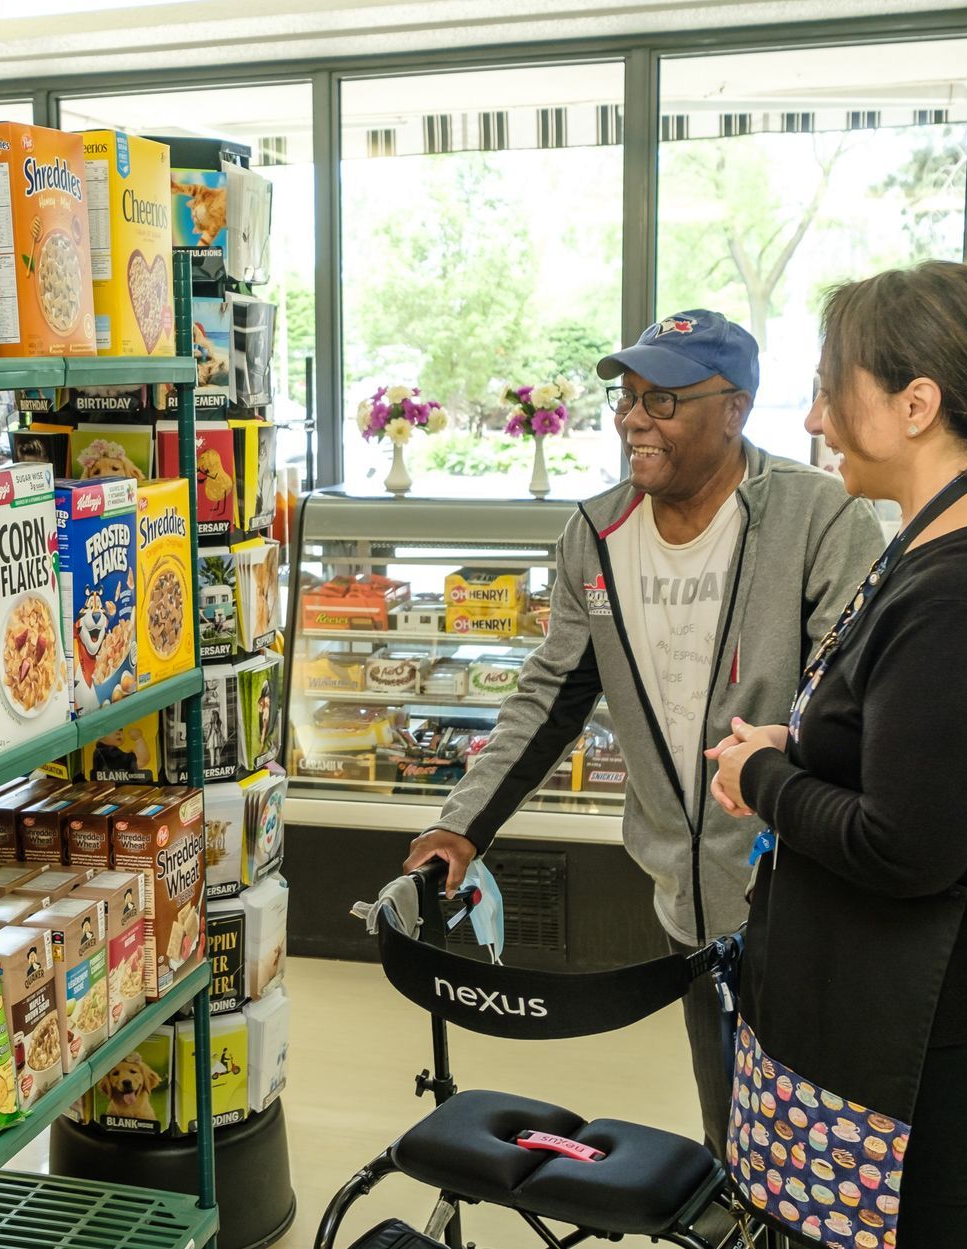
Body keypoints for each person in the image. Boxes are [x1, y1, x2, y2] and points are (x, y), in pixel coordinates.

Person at [404, 310, 884, 1153]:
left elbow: (853, 704)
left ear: (732, 409)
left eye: (662, 400)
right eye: (627, 400)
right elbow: (551, 692)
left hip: (806, 891)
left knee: (822, 1132)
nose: (634, 419)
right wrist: (462, 822)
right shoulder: (595, 535)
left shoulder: (817, 519)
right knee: (730, 1111)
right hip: (685, 899)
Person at [707, 261, 967, 1247]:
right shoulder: (933, 547)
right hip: (917, 996)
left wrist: (763, 777)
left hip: (957, 1015)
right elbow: (908, 744)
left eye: (832, 390)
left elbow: (906, 844)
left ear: (916, 404)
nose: (814, 421)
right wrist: (797, 742)